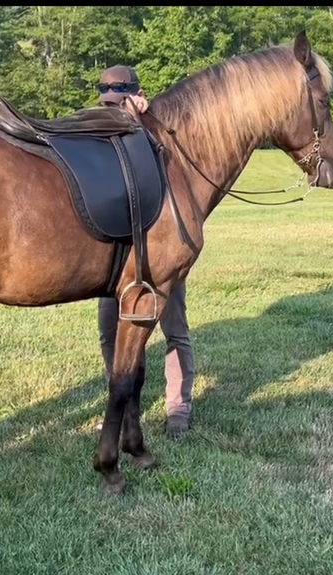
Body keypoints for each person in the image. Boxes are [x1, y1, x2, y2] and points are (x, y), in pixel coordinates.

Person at [95, 65, 195, 438]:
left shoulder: (156, 129)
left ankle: (178, 408)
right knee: (110, 330)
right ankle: (119, 401)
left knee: (174, 329)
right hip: (118, 258)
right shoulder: (99, 128)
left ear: (137, 93)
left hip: (162, 248)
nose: (113, 105)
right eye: (107, 98)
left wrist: (143, 119)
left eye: (118, 98)